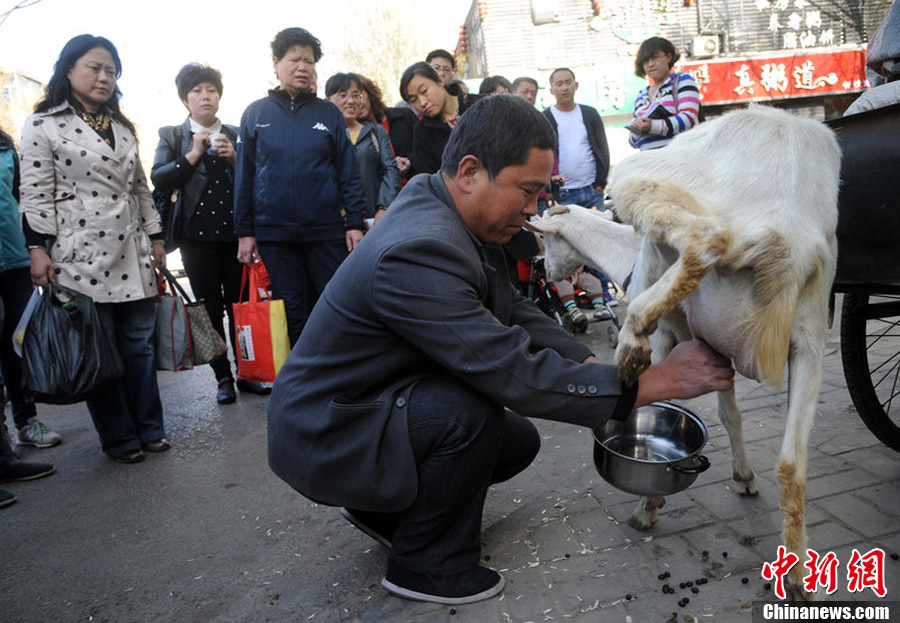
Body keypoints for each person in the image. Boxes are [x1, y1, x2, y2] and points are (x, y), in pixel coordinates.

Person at [267, 95, 735, 605]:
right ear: (470, 171)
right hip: (325, 431)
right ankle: (426, 565)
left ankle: (382, 510)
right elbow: (513, 372)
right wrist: (657, 382)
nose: (534, 209)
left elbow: (508, 306)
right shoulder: (417, 250)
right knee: (470, 415)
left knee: (512, 440)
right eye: (528, 190)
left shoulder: (442, 206)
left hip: (364, 406)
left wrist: (586, 363)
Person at [20, 35, 168, 464]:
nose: (104, 77)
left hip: (133, 250)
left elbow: (141, 188)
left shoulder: (123, 126)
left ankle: (150, 429)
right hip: (78, 254)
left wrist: (156, 238)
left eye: (111, 70)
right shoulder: (43, 124)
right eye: (94, 67)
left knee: (139, 346)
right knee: (99, 351)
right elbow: (34, 193)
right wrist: (38, 249)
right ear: (68, 70)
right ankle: (120, 439)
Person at [234, 28, 367, 346]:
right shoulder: (256, 114)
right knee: (293, 311)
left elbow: (347, 172)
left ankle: (341, 382)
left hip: (325, 231)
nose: (303, 66)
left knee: (334, 305)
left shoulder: (328, 114)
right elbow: (245, 176)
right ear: (276, 63)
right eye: (294, 59)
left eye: (309, 61)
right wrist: (245, 231)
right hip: (275, 234)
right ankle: (304, 385)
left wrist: (354, 222)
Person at [150, 64, 267, 404]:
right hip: (195, 238)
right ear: (185, 98)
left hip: (236, 236)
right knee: (210, 308)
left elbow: (261, 178)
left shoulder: (235, 132)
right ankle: (223, 378)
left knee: (241, 307)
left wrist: (236, 158)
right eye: (198, 91)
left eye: (211, 90)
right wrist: (193, 153)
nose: (206, 96)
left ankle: (247, 373)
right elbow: (160, 178)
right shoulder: (173, 135)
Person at [0, 128, 62, 450]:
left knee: (17, 345)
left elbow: (27, 203)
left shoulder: (6, 149)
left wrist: (38, 249)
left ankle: (26, 421)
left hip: (14, 259)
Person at [542, 67, 615, 303]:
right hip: (563, 194)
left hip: (591, 190)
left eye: (568, 82)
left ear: (576, 85)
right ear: (551, 89)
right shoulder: (546, 117)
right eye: (559, 84)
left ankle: (603, 293)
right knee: (572, 247)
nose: (564, 87)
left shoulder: (589, 114)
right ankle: (575, 297)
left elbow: (602, 147)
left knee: (601, 243)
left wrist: (600, 183)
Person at [325, 73, 400, 225]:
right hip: (336, 221)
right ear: (329, 100)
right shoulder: (325, 135)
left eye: (356, 95)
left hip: (375, 219)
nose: (351, 101)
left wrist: (384, 207)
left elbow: (390, 170)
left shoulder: (376, 132)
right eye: (343, 95)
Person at [400, 62, 477, 175]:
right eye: (414, 100)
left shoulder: (478, 105)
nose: (423, 102)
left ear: (440, 81)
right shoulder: (422, 133)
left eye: (424, 91)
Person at [628, 37, 701, 151]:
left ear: (668, 57)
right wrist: (636, 130)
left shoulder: (681, 80)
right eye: (646, 61)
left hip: (678, 159)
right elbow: (633, 142)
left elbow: (689, 119)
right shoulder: (641, 95)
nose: (650, 64)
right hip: (647, 163)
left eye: (655, 58)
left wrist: (652, 126)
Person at [356, 74, 418, 184]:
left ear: (370, 93)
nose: (358, 103)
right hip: (387, 196)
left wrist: (409, 161)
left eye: (359, 96)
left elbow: (425, 147)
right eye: (352, 99)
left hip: (418, 187)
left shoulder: (404, 116)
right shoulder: (357, 135)